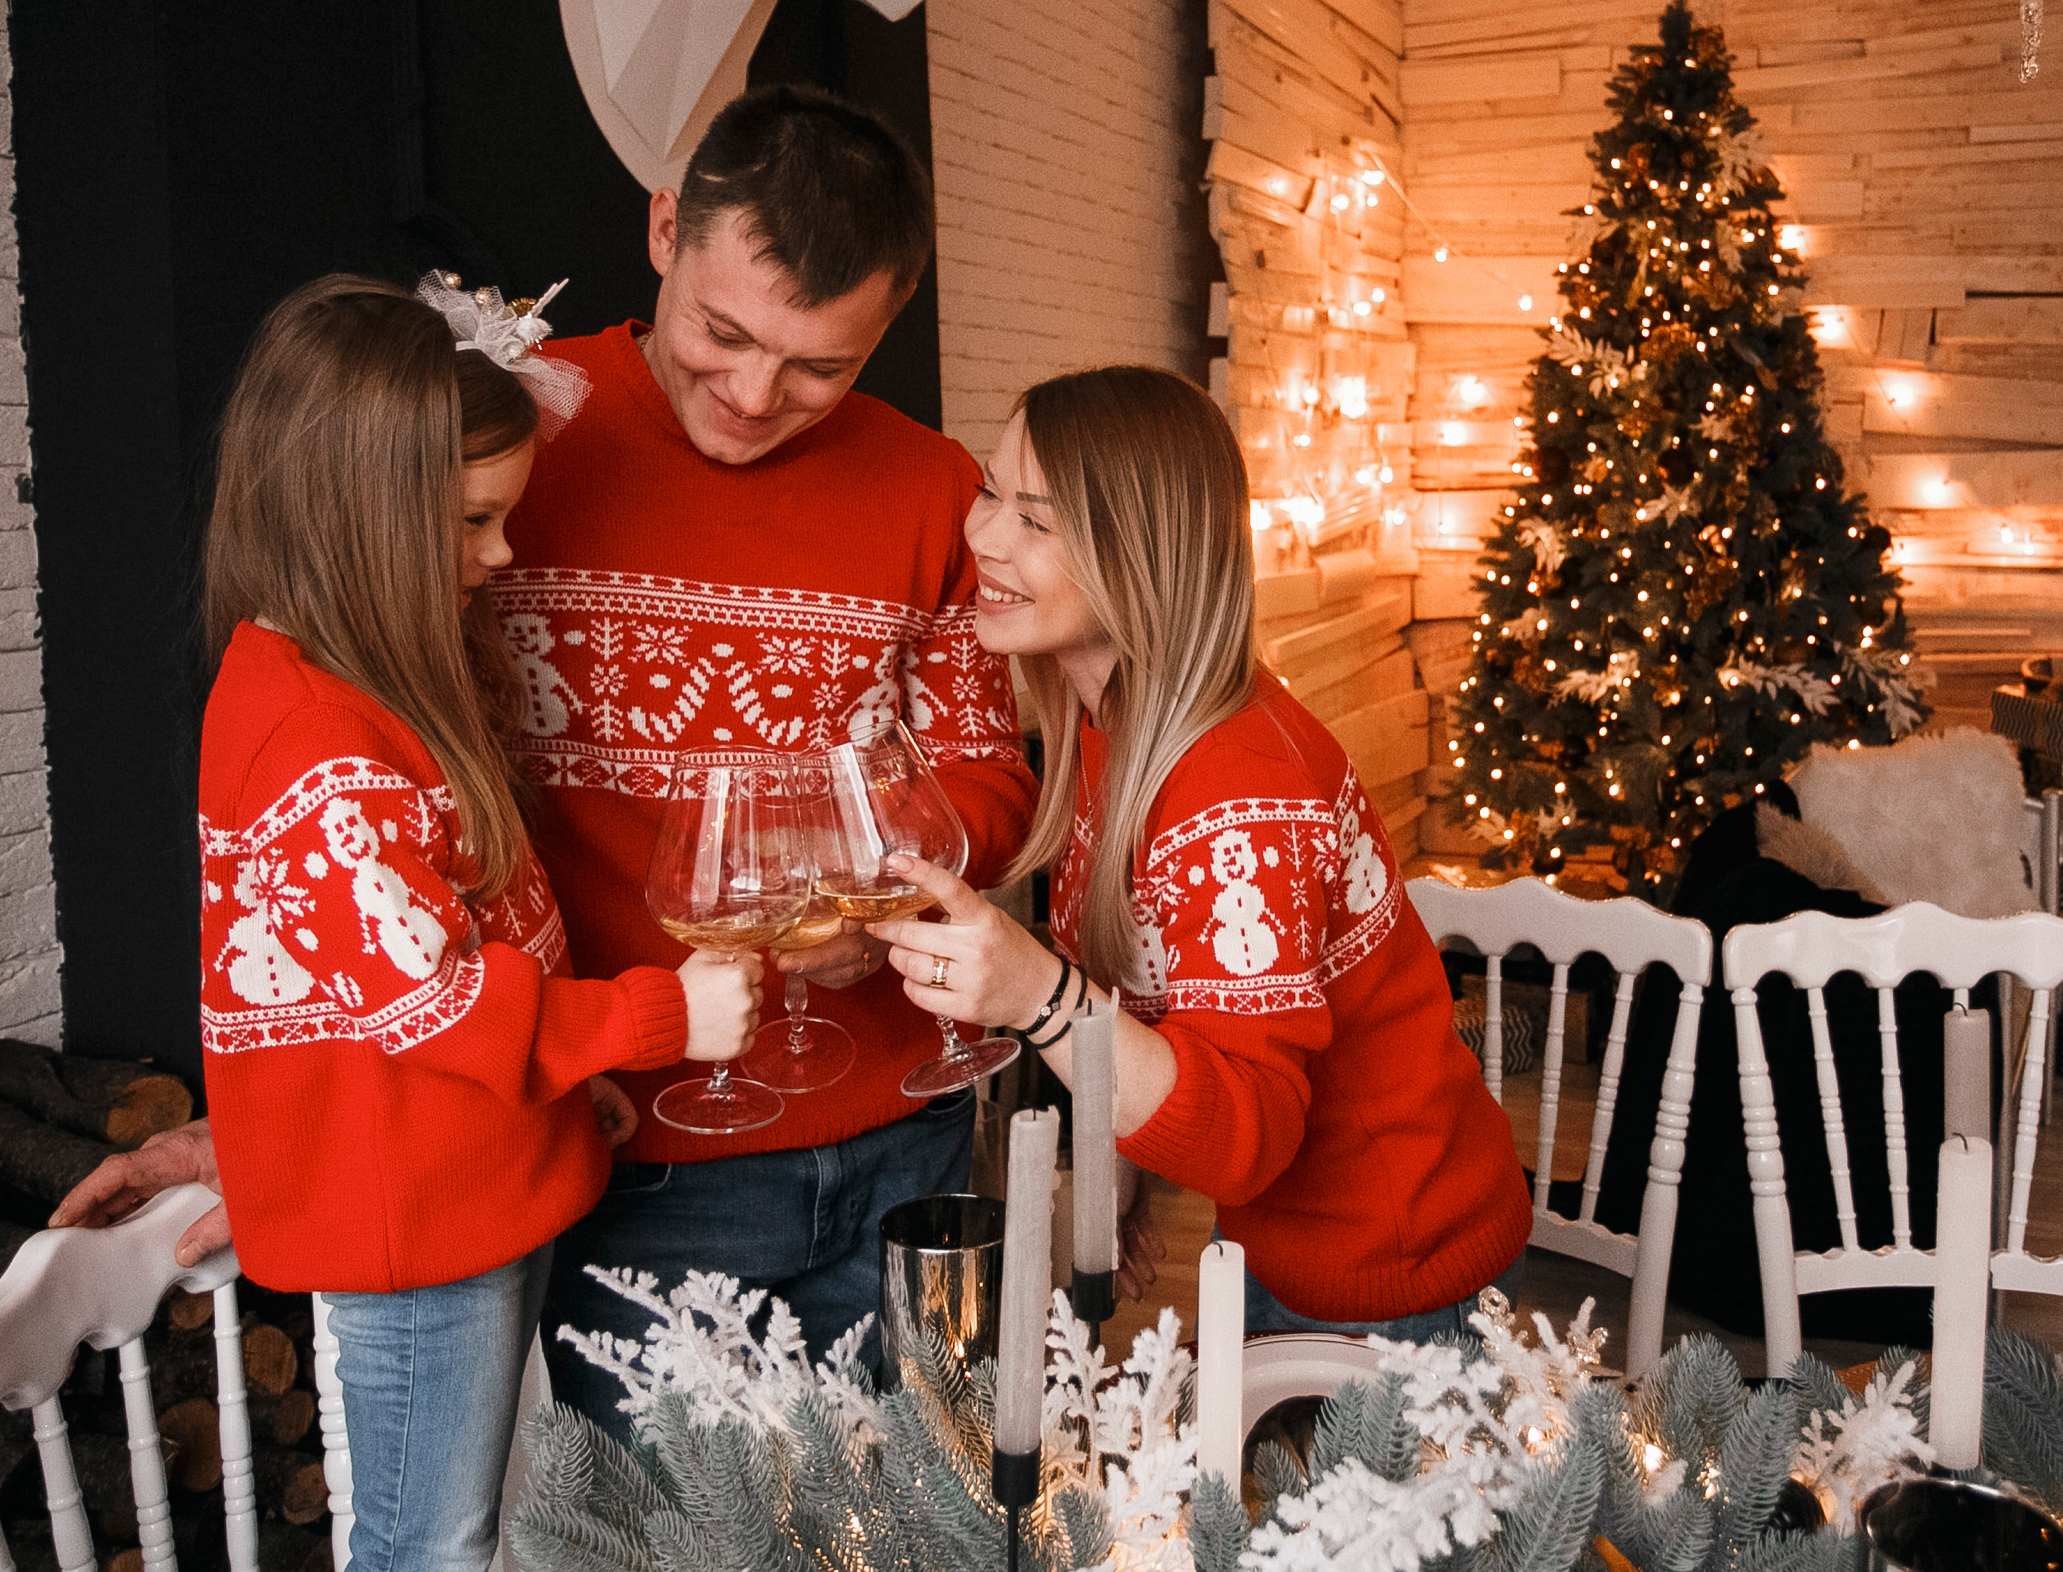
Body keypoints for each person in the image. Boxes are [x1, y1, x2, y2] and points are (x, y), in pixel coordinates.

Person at [167, 273, 762, 1571]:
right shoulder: (312, 744)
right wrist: (657, 1017)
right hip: (416, 1224)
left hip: (470, 1175)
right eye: (474, 522)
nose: (501, 554)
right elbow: (437, 1001)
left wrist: (561, 1089)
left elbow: (467, 931)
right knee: (426, 1543)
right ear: (360, 522)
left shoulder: (364, 686)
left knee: (483, 1519)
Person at [503, 84, 1036, 1429]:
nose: (751, 395)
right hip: (642, 1150)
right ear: (666, 228)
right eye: (720, 332)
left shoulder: (928, 486)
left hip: (911, 1131)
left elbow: (991, 776)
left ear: (887, 324)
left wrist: (889, 888)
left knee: (918, 1506)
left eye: (817, 368)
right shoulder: (515, 435)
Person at [866, 365, 1532, 1339]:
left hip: (1388, 1265)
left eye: (1037, 521)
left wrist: (1033, 995)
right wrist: (1124, 1163)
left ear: (1142, 556)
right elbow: (1159, 994)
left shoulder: (1234, 790)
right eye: (990, 490)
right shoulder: (1119, 718)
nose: (981, 536)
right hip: (1293, 1240)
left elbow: (1246, 1137)